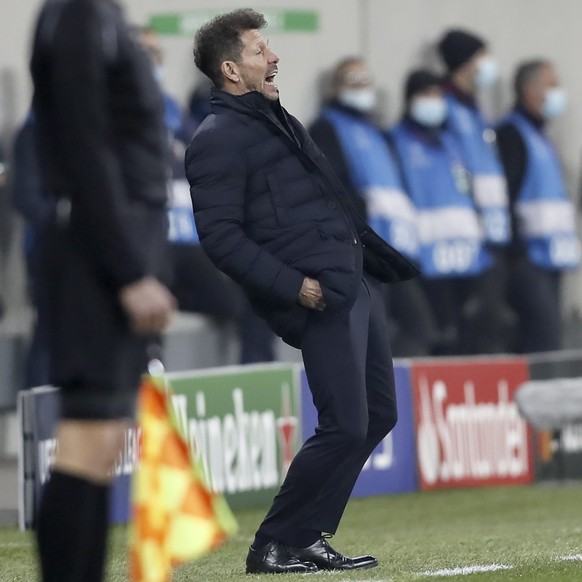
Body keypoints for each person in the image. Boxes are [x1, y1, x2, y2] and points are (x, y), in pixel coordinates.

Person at [185, 8, 418, 575]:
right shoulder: (216, 140)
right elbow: (219, 239)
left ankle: (306, 535)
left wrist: (376, 262)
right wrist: (296, 288)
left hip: (351, 282)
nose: (275, 57)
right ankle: (274, 542)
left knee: (379, 414)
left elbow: (330, 205)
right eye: (261, 50)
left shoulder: (278, 120)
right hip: (317, 294)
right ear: (230, 69)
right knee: (344, 423)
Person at [29, 1, 176, 581]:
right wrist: (129, 272)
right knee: (86, 440)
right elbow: (85, 147)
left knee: (105, 440)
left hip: (119, 247)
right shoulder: (78, 18)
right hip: (97, 257)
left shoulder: (102, 16)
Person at [139, 25, 276, 364]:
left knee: (259, 293)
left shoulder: (171, 110)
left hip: (192, 245)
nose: (152, 62)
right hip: (145, 246)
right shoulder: (110, 109)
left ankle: (256, 389)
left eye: (158, 55)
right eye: (144, 54)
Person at [309, 57, 437, 356]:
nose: (362, 88)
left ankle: (395, 392)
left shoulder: (377, 132)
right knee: (375, 333)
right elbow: (331, 186)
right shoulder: (326, 128)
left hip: (392, 248)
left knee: (419, 326)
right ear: (335, 88)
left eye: (366, 81)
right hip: (361, 250)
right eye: (353, 82)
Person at [389, 70, 493, 354]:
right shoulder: (396, 142)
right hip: (425, 257)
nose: (434, 101)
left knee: (464, 334)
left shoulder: (451, 143)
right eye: (426, 95)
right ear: (410, 100)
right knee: (433, 333)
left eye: (438, 95)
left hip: (465, 258)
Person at [497, 60, 580, 352]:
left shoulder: (542, 137)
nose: (558, 93)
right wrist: (516, 252)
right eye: (552, 85)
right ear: (531, 91)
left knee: (551, 339)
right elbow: (505, 194)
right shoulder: (512, 134)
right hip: (527, 258)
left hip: (550, 256)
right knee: (543, 339)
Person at [11, 111, 55, 387]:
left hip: (87, 254)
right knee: (49, 338)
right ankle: (41, 426)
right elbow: (26, 197)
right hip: (49, 252)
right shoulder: (34, 131)